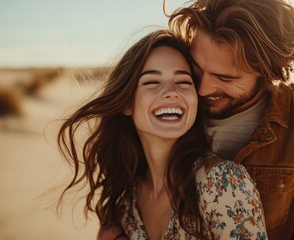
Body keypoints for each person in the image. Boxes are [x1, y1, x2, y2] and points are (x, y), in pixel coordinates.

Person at [166, 0, 294, 239]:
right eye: (196, 67)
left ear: (269, 72)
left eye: (225, 78)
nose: (201, 88)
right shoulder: (161, 99)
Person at [57, 29, 267, 240]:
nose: (171, 91)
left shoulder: (223, 183)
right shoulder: (126, 199)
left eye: (184, 82)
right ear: (127, 104)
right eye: (151, 82)